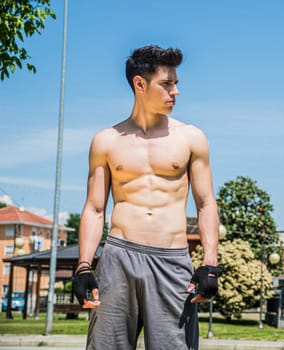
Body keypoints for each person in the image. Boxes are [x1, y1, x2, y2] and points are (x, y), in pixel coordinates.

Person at [73, 45, 220, 350]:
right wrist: (84, 266)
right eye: (166, 84)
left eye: (176, 83)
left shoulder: (192, 137)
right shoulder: (106, 141)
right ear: (140, 84)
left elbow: (205, 204)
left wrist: (209, 263)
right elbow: (95, 207)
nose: (176, 91)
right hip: (118, 258)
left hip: (171, 259)